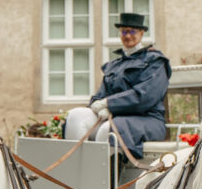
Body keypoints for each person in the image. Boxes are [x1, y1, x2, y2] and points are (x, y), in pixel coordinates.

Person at [63, 11, 172, 160]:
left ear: (141, 33)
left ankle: (104, 179)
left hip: (148, 120)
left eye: (132, 31)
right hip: (116, 117)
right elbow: (101, 94)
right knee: (76, 116)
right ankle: (76, 173)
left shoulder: (155, 61)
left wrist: (109, 104)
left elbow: (145, 96)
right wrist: (97, 103)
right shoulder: (115, 65)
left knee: (108, 130)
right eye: (124, 31)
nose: (128, 35)